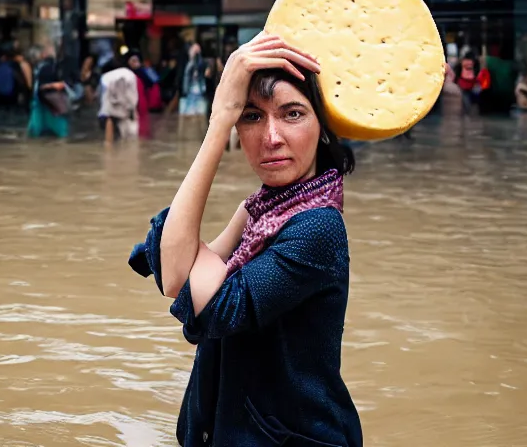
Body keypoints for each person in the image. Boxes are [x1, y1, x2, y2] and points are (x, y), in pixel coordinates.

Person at [128, 32, 362, 446]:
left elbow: (208, 300)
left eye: (292, 114)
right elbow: (174, 270)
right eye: (251, 116)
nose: (271, 137)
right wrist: (221, 118)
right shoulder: (262, 208)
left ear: (323, 127)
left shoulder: (317, 228)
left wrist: (219, 123)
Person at [27, 44, 69, 138]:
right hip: (51, 100)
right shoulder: (53, 66)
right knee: (59, 129)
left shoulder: (42, 67)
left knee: (36, 129)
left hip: (43, 99)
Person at [98, 65, 139, 143]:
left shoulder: (105, 78)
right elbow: (133, 100)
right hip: (125, 105)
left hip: (111, 90)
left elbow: (106, 110)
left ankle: (109, 146)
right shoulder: (130, 75)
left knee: (109, 116)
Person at [179, 43, 209, 140]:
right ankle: (186, 138)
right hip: (188, 94)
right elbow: (182, 78)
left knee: (201, 117)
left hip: (200, 93)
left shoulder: (203, 63)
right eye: (194, 50)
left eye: (198, 50)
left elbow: (206, 76)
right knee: (186, 118)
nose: (196, 52)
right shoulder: (185, 63)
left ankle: (200, 137)